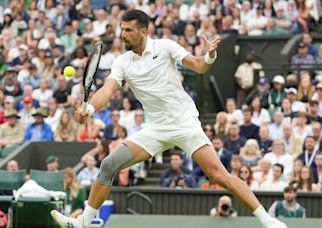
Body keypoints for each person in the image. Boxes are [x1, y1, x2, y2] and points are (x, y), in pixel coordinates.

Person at [52, 10, 286, 228]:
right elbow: (107, 90)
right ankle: (83, 222)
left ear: (143, 31)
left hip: (185, 123)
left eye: (128, 30)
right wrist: (90, 108)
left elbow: (198, 65)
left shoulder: (165, 47)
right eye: (122, 29)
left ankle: (268, 222)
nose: (123, 35)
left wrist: (210, 56)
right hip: (155, 129)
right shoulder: (122, 62)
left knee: (218, 175)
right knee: (108, 165)